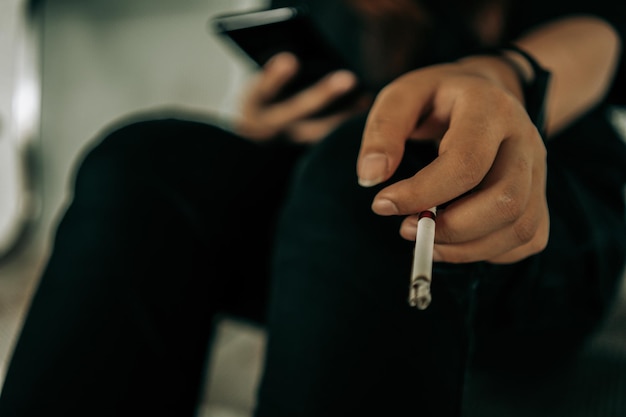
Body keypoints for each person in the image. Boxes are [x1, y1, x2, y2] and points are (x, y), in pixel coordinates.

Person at [1, 0, 625, 416]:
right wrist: (266, 125)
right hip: (335, 198)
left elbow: (598, 32)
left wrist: (500, 79)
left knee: (360, 181)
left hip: (542, 230)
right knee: (145, 160)